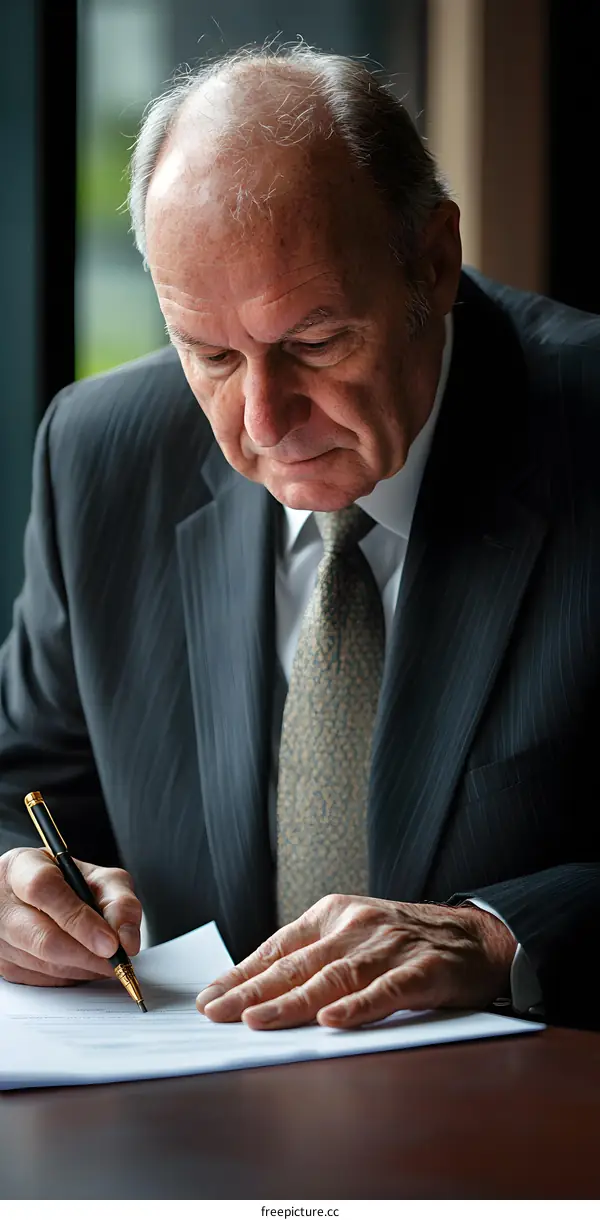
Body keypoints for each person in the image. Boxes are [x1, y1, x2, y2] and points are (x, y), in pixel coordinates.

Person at [0, 45, 599, 1033]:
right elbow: (22, 782)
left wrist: (498, 935)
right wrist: (19, 886)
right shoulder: (100, 455)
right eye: (212, 355)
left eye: (316, 341)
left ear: (435, 263)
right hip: (196, 1145)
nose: (266, 418)